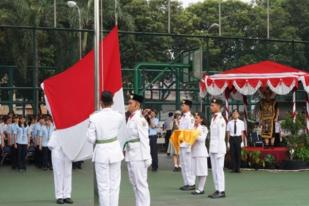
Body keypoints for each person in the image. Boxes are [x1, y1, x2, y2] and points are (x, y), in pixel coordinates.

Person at [87, 91, 125, 206]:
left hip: (101, 152)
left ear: (101, 102)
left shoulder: (94, 117)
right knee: (115, 185)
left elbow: (90, 139)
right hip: (114, 151)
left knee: (103, 186)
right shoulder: (119, 116)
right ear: (112, 102)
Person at [124, 94, 151, 206]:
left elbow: (144, 139)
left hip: (139, 155)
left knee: (141, 184)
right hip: (131, 154)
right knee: (134, 183)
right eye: (128, 103)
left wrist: (147, 157)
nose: (128, 105)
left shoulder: (140, 120)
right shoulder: (131, 118)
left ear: (137, 105)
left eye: (130, 103)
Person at [48, 125, 74, 204]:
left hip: (68, 153)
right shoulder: (55, 131)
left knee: (68, 174)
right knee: (58, 174)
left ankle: (67, 195)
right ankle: (59, 196)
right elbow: (50, 145)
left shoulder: (70, 131)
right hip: (57, 153)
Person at [208, 98, 227, 199]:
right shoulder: (213, 118)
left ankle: (222, 190)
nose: (211, 107)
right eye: (211, 105)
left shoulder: (221, 120)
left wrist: (220, 151)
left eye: (213, 105)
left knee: (219, 170)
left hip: (219, 149)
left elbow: (221, 137)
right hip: (213, 149)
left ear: (218, 107)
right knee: (214, 170)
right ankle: (217, 189)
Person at [178, 100, 195, 191]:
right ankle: (186, 183)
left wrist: (189, 146)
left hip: (187, 144)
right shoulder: (182, 117)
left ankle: (191, 183)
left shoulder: (190, 118)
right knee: (183, 164)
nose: (182, 107)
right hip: (181, 143)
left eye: (183, 105)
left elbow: (191, 132)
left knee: (189, 164)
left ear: (188, 107)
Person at [191, 112, 209, 195]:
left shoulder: (204, 128)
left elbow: (202, 139)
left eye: (197, 118)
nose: (195, 119)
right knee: (197, 171)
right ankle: (199, 188)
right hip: (194, 152)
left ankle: (201, 189)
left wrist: (194, 135)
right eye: (195, 117)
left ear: (201, 119)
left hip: (201, 152)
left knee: (202, 172)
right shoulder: (193, 127)